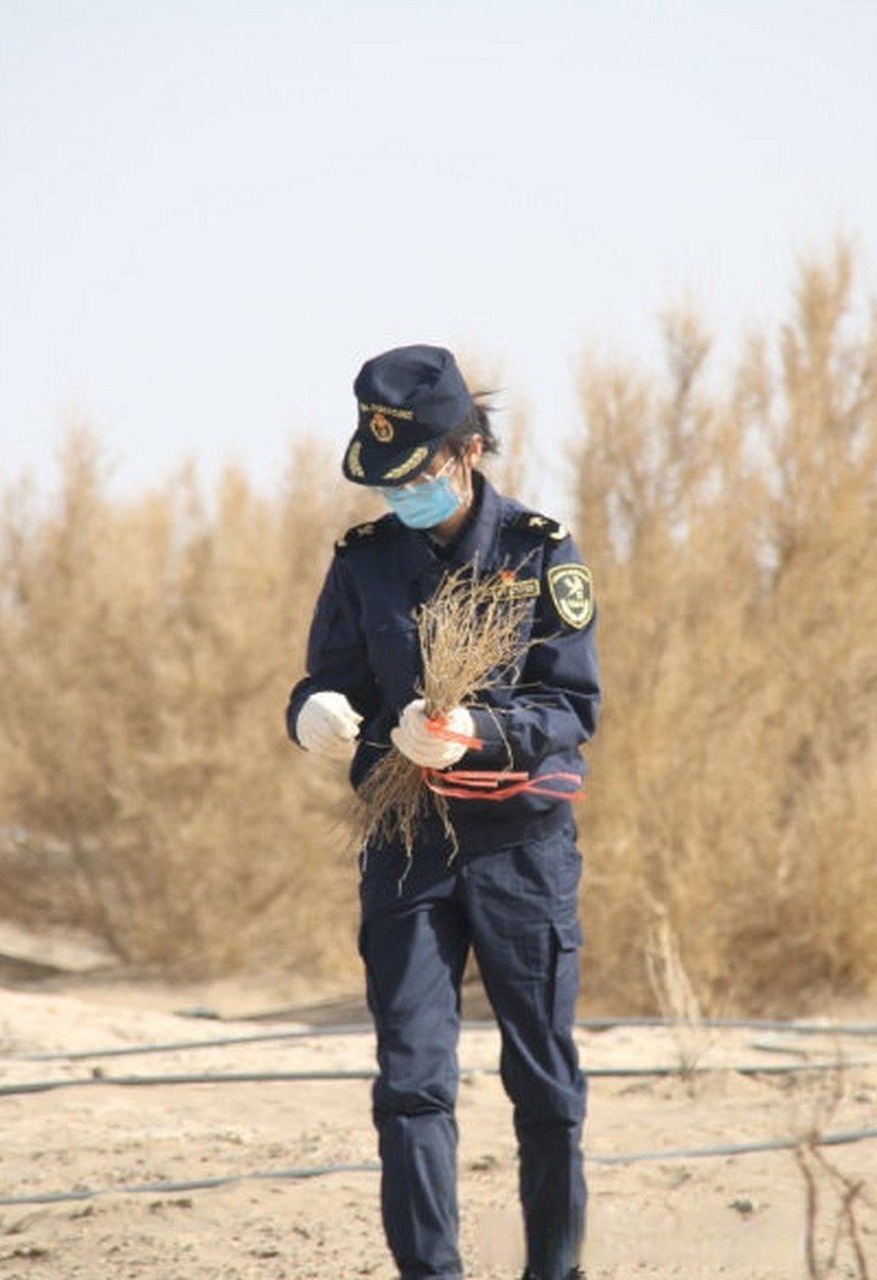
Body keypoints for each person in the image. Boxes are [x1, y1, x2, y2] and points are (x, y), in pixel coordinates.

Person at [286, 343, 599, 1280]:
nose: (401, 499)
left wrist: (477, 730)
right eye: (386, 485)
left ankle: (555, 1268)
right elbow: (327, 679)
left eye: (416, 476)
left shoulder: (538, 552)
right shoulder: (365, 561)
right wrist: (313, 714)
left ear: (466, 451)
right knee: (412, 1083)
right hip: (406, 847)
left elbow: (571, 708)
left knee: (543, 1082)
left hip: (521, 852)